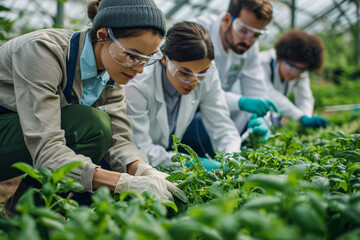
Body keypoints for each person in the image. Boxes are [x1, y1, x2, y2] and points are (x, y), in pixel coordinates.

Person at [0, 0, 187, 216]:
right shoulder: (42, 51)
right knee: (90, 125)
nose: (139, 69)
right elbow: (47, 150)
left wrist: (144, 170)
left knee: (99, 129)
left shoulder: (111, 73)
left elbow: (119, 140)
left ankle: (28, 215)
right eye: (133, 56)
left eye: (147, 59)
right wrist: (124, 183)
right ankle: (28, 216)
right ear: (102, 35)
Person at [125, 21, 241, 169]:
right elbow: (139, 148)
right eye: (184, 72)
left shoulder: (206, 75)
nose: (193, 81)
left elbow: (221, 125)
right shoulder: (138, 85)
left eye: (202, 73)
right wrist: (188, 161)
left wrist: (232, 158)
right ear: (164, 58)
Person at [181, 0, 278, 154]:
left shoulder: (248, 46)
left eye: (256, 34)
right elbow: (194, 88)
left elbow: (256, 88)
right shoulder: (197, 33)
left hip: (215, 108)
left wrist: (261, 118)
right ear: (227, 19)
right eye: (244, 30)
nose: (248, 41)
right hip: (185, 106)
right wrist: (241, 102)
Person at [260, 29, 327, 129]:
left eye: (300, 71)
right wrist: (300, 117)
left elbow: (304, 97)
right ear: (282, 57)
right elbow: (268, 93)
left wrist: (307, 117)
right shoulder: (263, 62)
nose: (294, 74)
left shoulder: (301, 73)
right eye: (291, 68)